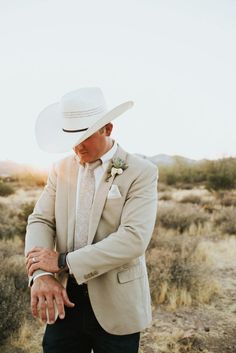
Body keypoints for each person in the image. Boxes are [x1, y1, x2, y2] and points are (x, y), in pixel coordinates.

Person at [25, 87, 158, 353]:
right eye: (71, 138)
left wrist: (63, 261)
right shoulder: (60, 168)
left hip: (117, 304)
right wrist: (40, 274)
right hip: (64, 299)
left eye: (84, 137)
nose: (77, 146)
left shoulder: (141, 172)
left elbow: (133, 239)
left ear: (107, 129)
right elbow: (41, 220)